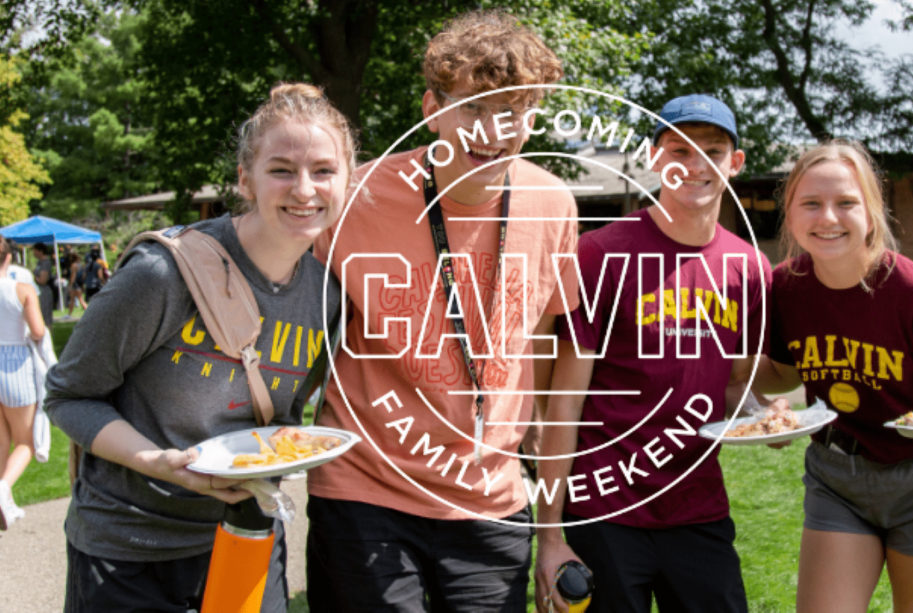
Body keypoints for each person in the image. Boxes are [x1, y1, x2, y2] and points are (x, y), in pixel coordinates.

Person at [304, 11, 576, 611]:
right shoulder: (354, 198)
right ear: (432, 107)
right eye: (473, 107)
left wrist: (552, 529)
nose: (493, 128)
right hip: (364, 489)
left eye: (514, 108)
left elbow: (545, 353)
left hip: (493, 503)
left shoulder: (554, 204)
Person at [44, 82, 352, 612]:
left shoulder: (327, 298)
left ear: (347, 179)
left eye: (324, 170)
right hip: (130, 550)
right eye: (281, 169)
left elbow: (283, 422)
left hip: (247, 535)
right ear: (246, 180)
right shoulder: (165, 274)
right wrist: (157, 460)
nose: (305, 190)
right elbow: (68, 396)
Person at [534, 94, 768, 612]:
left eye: (712, 149)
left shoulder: (748, 268)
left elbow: (729, 385)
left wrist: (761, 415)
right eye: (678, 149)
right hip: (605, 511)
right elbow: (563, 404)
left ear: (735, 163)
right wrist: (549, 536)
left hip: (698, 506)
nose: (694, 164)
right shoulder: (600, 254)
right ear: (654, 159)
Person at [753, 140, 913, 613]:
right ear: (791, 213)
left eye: (846, 203)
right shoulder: (785, 287)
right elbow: (783, 371)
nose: (828, 218)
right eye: (811, 204)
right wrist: (759, 402)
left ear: (872, 210)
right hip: (838, 477)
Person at [0, 239, 47, 530]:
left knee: (2, 439)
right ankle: (3, 489)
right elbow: (39, 331)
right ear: (9, 258)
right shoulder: (22, 289)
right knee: (25, 442)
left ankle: (7, 500)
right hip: (15, 362)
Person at [31, 243, 55, 328]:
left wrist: (31, 276)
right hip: (38, 291)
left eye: (35, 250)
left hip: (44, 292)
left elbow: (43, 280)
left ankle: (49, 339)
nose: (33, 253)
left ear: (40, 251)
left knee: (45, 318)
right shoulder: (39, 262)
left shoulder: (45, 262)